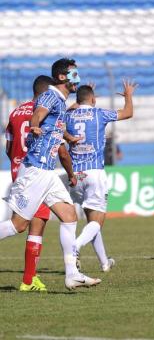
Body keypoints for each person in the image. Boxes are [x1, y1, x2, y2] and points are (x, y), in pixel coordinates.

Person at [1, 58, 101, 290]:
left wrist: (69, 137)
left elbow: (55, 125)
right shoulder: (50, 95)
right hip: (35, 170)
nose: (79, 78)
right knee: (18, 225)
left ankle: (72, 274)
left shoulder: (61, 101)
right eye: (74, 74)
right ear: (63, 77)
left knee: (69, 216)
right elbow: (39, 113)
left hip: (46, 172)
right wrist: (35, 124)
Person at [5, 75, 77, 292]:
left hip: (21, 170)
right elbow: (61, 150)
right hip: (38, 172)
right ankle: (29, 279)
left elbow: (8, 147)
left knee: (31, 223)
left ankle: (29, 280)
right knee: (26, 226)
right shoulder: (46, 110)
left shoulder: (16, 112)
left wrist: (19, 166)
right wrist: (70, 172)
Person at [64, 80, 137, 271]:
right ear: (94, 99)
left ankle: (105, 263)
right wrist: (128, 94)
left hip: (75, 175)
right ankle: (75, 246)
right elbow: (128, 113)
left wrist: (81, 98)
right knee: (97, 221)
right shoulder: (99, 113)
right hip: (94, 172)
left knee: (91, 222)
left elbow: (74, 107)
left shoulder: (68, 115)